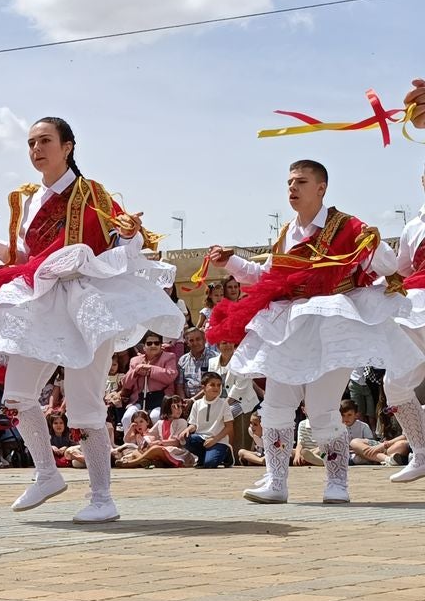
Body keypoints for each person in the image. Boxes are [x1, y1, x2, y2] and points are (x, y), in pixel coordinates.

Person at [0, 116, 183, 523]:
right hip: (40, 299)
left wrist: (130, 232)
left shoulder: (92, 192)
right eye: (30, 143)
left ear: (68, 146)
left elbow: (124, 241)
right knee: (17, 394)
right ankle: (46, 473)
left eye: (45, 141)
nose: (36, 149)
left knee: (84, 403)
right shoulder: (25, 200)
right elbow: (24, 257)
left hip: (84, 299)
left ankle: (102, 497)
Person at [206, 159, 420, 504]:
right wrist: (230, 261)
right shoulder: (286, 233)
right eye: (289, 182)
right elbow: (266, 278)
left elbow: (389, 266)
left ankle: (337, 483)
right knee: (276, 405)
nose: (292, 188)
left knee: (322, 409)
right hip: (289, 325)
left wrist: (373, 244)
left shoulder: (348, 226)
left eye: (301, 182)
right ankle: (276, 480)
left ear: (321, 188)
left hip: (334, 323)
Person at [382, 160, 425, 482]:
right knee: (395, 383)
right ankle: (421, 451)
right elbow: (402, 269)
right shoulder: (413, 227)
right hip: (415, 305)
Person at [119, 331, 179, 423]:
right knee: (127, 418)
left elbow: (170, 375)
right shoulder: (135, 360)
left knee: (155, 417)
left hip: (160, 399)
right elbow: (126, 384)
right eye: (149, 343)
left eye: (156, 343)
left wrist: (150, 369)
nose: (153, 345)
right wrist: (136, 372)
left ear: (161, 345)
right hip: (138, 399)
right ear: (144, 347)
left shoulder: (169, 357)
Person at [181, 372, 234, 469]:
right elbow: (193, 425)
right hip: (202, 439)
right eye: (212, 385)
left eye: (219, 385)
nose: (216, 388)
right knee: (186, 438)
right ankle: (203, 457)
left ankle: (226, 453)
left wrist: (215, 440)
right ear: (203, 387)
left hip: (218, 440)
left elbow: (229, 427)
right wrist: (187, 430)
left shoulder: (223, 404)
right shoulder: (197, 404)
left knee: (210, 464)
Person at [175, 328, 217, 399]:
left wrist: (193, 400)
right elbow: (179, 385)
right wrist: (183, 401)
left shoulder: (214, 357)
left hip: (208, 399)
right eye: (191, 340)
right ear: (187, 343)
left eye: (198, 339)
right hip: (187, 400)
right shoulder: (183, 360)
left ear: (204, 340)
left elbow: (213, 384)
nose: (195, 343)